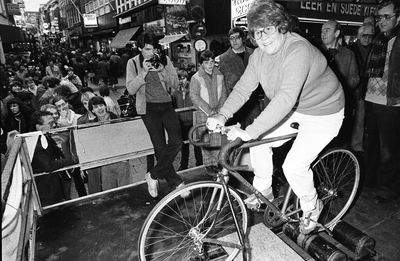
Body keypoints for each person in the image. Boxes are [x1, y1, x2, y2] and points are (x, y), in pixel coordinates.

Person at [206, 1, 345, 234]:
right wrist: (221, 115)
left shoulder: (297, 49)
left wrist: (249, 130)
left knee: (294, 166)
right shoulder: (258, 57)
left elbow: (285, 98)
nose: (263, 37)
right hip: (298, 109)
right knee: (258, 143)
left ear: (281, 26)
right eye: (257, 32)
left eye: (268, 29)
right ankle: (264, 191)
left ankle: (312, 206)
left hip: (325, 112)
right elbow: (242, 90)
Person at [126, 32, 188, 198]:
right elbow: (131, 88)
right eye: (147, 49)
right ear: (139, 49)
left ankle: (153, 174)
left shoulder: (164, 60)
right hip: (148, 108)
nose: (151, 53)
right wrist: (143, 73)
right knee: (159, 147)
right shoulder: (132, 63)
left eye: (154, 49)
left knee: (176, 141)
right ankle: (176, 182)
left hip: (166, 104)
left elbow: (176, 85)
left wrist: (163, 72)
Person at [363, 0, 400, 203]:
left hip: (391, 101)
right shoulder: (378, 39)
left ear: (398, 18)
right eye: (380, 17)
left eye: (387, 17)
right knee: (372, 145)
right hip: (372, 98)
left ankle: (387, 190)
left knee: (389, 150)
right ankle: (370, 181)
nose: (382, 21)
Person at [320, 20, 360, 148]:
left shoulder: (348, 54)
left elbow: (355, 77)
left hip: (340, 103)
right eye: (322, 30)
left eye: (327, 30)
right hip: (319, 104)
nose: (323, 33)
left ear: (336, 33)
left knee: (337, 139)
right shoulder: (315, 52)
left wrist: (343, 86)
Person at [189, 50, 227, 176]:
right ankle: (208, 163)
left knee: (216, 138)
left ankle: (216, 162)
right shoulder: (196, 78)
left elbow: (224, 94)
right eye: (206, 62)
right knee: (205, 139)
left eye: (212, 62)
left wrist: (220, 110)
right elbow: (194, 96)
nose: (210, 65)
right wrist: (210, 111)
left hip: (217, 112)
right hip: (203, 112)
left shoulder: (220, 75)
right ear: (201, 63)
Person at [218, 26, 263, 128]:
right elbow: (222, 83)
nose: (234, 41)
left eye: (237, 37)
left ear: (243, 38)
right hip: (234, 100)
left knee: (255, 127)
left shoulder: (254, 54)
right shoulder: (223, 59)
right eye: (231, 38)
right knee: (236, 130)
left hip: (253, 99)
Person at [31, 111, 78, 206]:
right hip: (47, 191)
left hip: (54, 185)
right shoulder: (36, 143)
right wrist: (68, 162)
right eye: (50, 123)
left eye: (54, 122)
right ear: (38, 126)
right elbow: (48, 166)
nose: (54, 126)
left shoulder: (44, 137)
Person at [88, 96, 131, 190]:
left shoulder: (116, 119)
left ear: (105, 106)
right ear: (92, 110)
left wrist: (125, 158)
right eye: (96, 107)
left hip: (121, 160)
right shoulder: (92, 125)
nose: (99, 108)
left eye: (101, 105)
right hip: (106, 163)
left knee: (125, 190)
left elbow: (126, 138)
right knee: (109, 191)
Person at [348, 24, 375, 152]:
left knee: (360, 119)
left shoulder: (375, 49)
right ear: (359, 36)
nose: (367, 38)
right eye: (365, 35)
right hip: (352, 89)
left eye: (370, 36)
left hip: (365, 90)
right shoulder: (350, 50)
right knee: (349, 119)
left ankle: (356, 147)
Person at [172, 70, 203, 171]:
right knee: (184, 145)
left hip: (192, 121)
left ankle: (199, 163)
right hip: (182, 122)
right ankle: (183, 164)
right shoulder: (175, 92)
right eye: (179, 79)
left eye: (183, 78)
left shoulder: (193, 89)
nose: (181, 81)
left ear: (187, 79)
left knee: (196, 144)